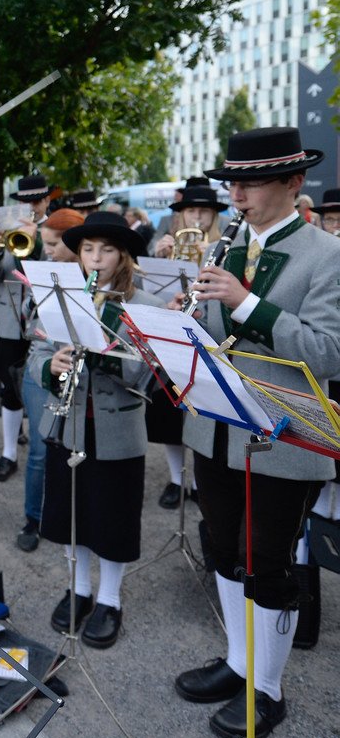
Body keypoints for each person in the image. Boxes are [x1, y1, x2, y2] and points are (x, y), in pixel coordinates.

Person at [173, 127, 340, 738]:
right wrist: (186, 323)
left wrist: (246, 304)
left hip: (284, 437)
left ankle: (268, 690)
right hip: (216, 426)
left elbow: (329, 351)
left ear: (294, 183)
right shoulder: (229, 247)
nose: (236, 196)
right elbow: (213, 335)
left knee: (268, 563)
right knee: (223, 549)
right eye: (232, 185)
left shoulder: (328, 255)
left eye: (252, 183)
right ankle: (240, 663)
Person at [28, 212, 162, 649]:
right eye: (88, 250)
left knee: (113, 517)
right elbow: (35, 354)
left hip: (116, 428)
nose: (96, 258)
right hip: (66, 422)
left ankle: (110, 599)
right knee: (73, 512)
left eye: (106, 250)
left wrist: (98, 350)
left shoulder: (144, 304)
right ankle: (79, 589)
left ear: (122, 256)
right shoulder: (62, 296)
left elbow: (144, 375)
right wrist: (50, 365)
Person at [147, 185, 227, 509]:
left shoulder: (225, 247)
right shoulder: (166, 240)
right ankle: (176, 479)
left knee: (202, 413)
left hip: (207, 337)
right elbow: (147, 289)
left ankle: (198, 482)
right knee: (169, 413)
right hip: (172, 333)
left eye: (204, 211)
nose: (197, 216)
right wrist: (159, 256)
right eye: (191, 211)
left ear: (214, 216)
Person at [14, 208, 83, 552]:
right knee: (41, 451)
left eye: (54, 244)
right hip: (45, 365)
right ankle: (33, 516)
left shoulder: (93, 277)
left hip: (83, 377)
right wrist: (34, 298)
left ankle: (69, 516)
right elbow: (29, 329)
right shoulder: (45, 272)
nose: (49, 251)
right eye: (46, 243)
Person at [0, 175, 54, 483]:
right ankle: (9, 452)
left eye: (36, 201)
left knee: (44, 385)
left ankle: (45, 448)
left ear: (47, 200)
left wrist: (36, 244)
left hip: (44, 322)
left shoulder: (55, 231)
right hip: (11, 322)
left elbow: (53, 272)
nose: (31, 207)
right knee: (9, 389)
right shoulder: (10, 231)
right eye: (25, 202)